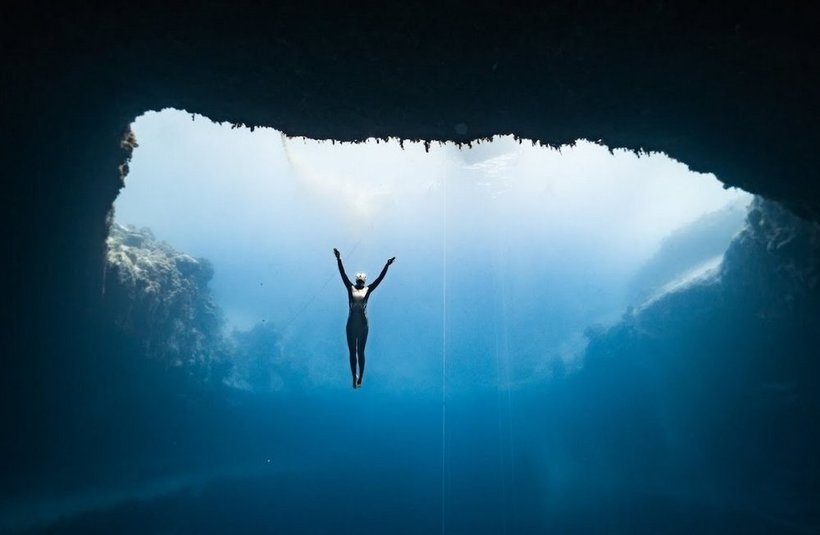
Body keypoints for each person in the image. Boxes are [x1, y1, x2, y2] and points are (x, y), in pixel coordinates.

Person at [334, 248, 395, 389]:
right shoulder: (350, 287)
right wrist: (339, 258)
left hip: (362, 324)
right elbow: (342, 274)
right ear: (356, 280)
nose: (361, 282)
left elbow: (379, 279)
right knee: (352, 351)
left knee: (360, 351)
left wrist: (387, 265)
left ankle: (360, 376)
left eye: (362, 280)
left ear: (364, 281)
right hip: (351, 324)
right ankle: (353, 377)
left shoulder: (368, 289)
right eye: (359, 280)